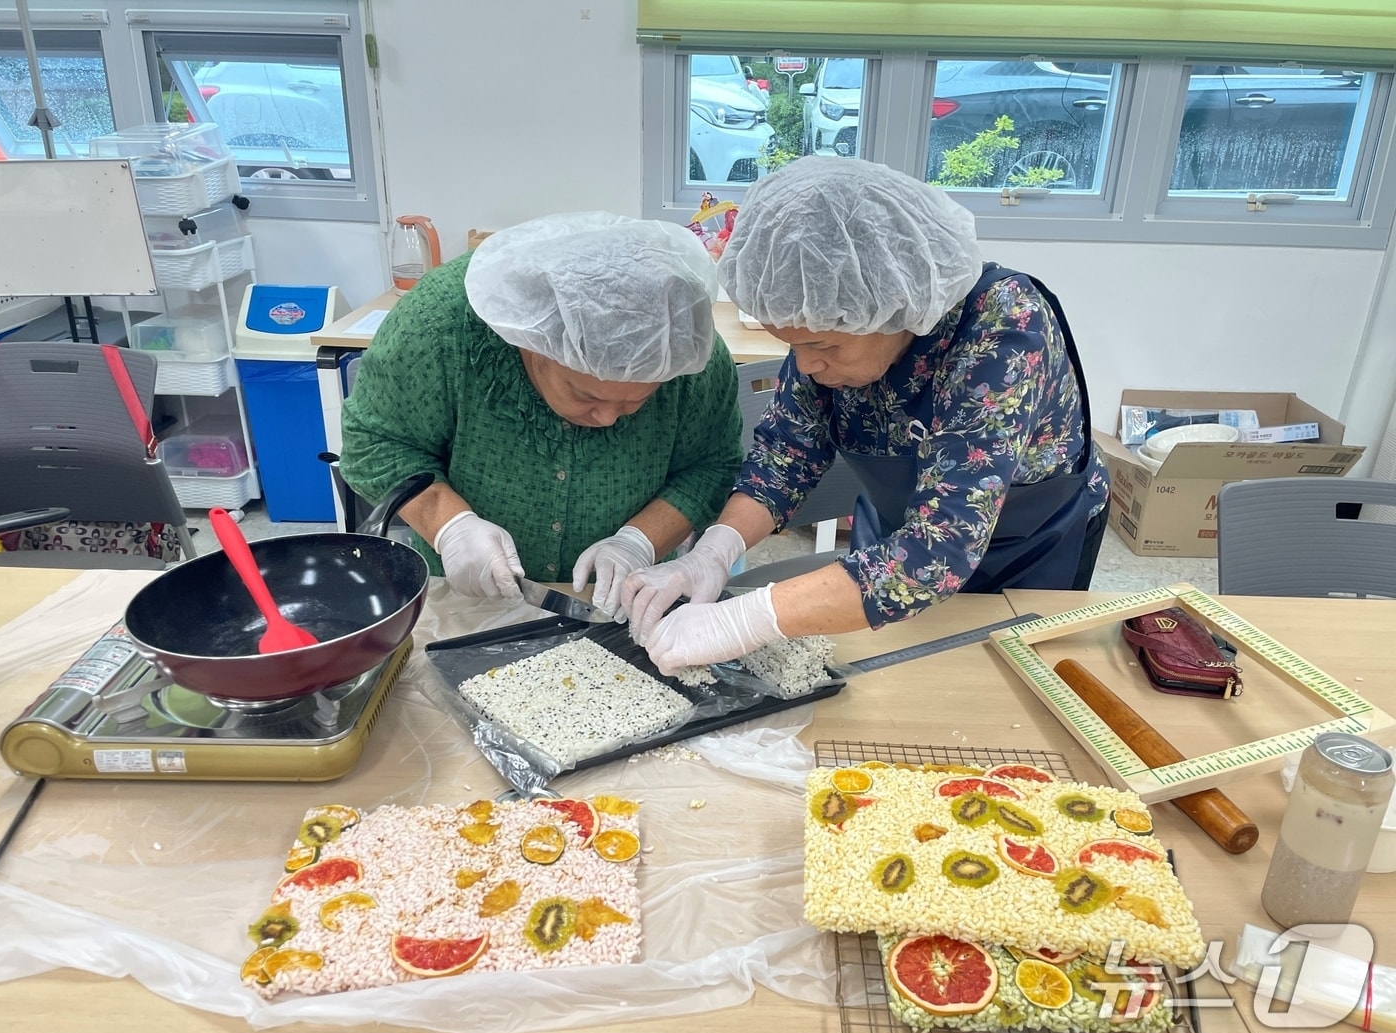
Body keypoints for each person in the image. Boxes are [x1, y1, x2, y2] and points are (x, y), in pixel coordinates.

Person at [619, 157, 1110, 674]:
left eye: (822, 344)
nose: (806, 365)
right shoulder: (829, 322)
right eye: (791, 345)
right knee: (894, 681)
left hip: (1028, 549)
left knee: (996, 694)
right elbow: (785, 457)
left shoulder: (1003, 326)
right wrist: (713, 552)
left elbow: (936, 548)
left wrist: (745, 619)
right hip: (899, 538)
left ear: (894, 305)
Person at [340, 211, 744, 629]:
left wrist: (639, 541)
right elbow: (377, 443)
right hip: (467, 601)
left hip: (622, 605)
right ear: (531, 344)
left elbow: (710, 466)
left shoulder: (683, 346)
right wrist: (451, 526)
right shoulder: (442, 325)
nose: (607, 419)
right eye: (586, 395)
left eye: (634, 403)